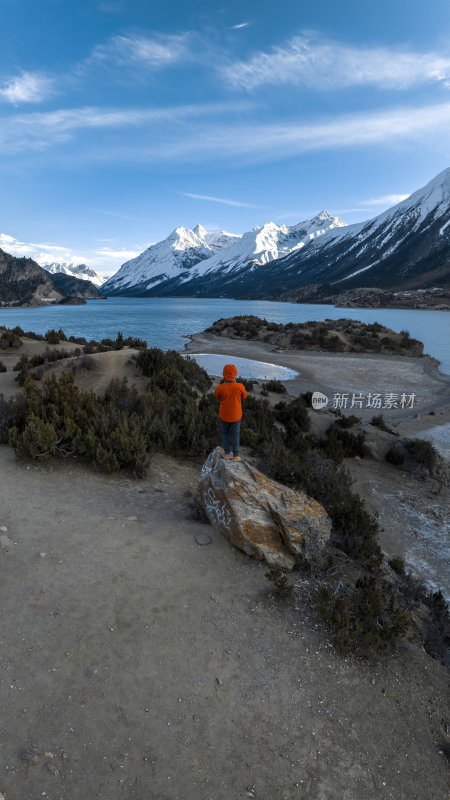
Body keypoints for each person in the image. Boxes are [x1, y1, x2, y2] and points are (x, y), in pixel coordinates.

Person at [214, 364, 247, 461]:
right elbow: (244, 396)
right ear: (235, 374)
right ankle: (236, 456)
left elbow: (217, 396)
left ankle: (227, 453)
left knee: (225, 433)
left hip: (224, 414)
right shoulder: (240, 386)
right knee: (235, 434)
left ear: (224, 374)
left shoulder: (221, 387)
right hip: (236, 415)